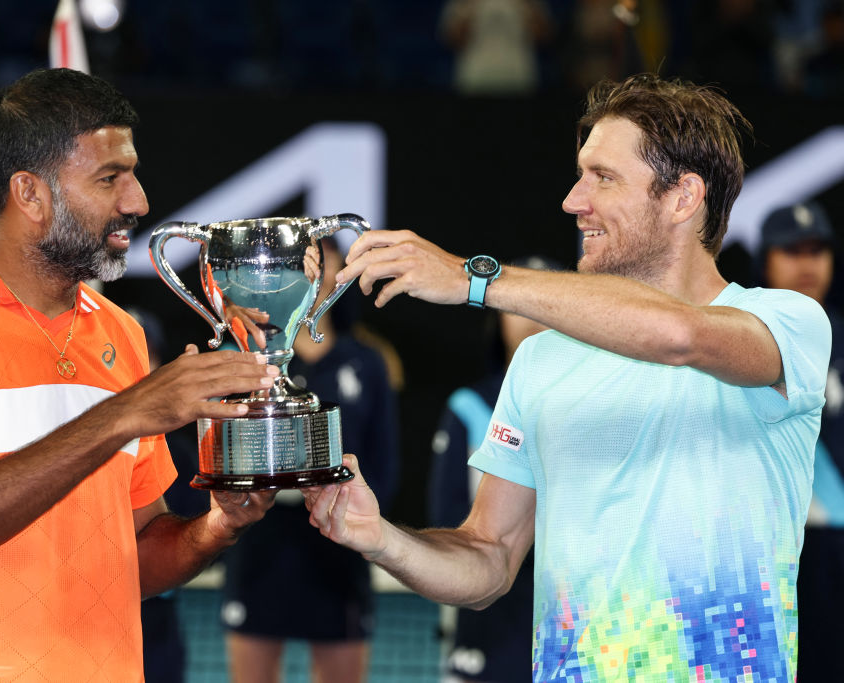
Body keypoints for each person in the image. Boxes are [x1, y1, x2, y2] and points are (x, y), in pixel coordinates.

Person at [303, 73, 831, 681]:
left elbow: (681, 336)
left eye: (603, 177)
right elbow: (489, 559)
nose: (573, 200)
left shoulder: (787, 322)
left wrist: (473, 279)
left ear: (683, 197)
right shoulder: (540, 360)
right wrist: (380, 538)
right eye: (581, 174)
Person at [0, 67, 279, 682]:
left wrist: (216, 525)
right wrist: (128, 412)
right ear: (31, 194)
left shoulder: (120, 332)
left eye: (133, 173)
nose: (139, 201)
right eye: (109, 178)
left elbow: (135, 555)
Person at [220, 238, 400, 683]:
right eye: (297, 263)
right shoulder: (250, 359)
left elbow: (385, 460)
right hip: (260, 547)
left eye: (321, 261)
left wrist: (356, 519)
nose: (309, 273)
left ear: (341, 274)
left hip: (338, 549)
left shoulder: (368, 362)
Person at [428, 255, 557, 683]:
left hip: (576, 618)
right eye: (515, 306)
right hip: (490, 619)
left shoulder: (597, 401)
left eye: (544, 300)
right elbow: (446, 517)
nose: (529, 319)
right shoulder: (469, 407)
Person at [756, 200, 844, 679]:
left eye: (817, 250)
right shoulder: (734, 342)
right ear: (764, 259)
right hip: (771, 546)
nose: (807, 264)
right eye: (791, 250)